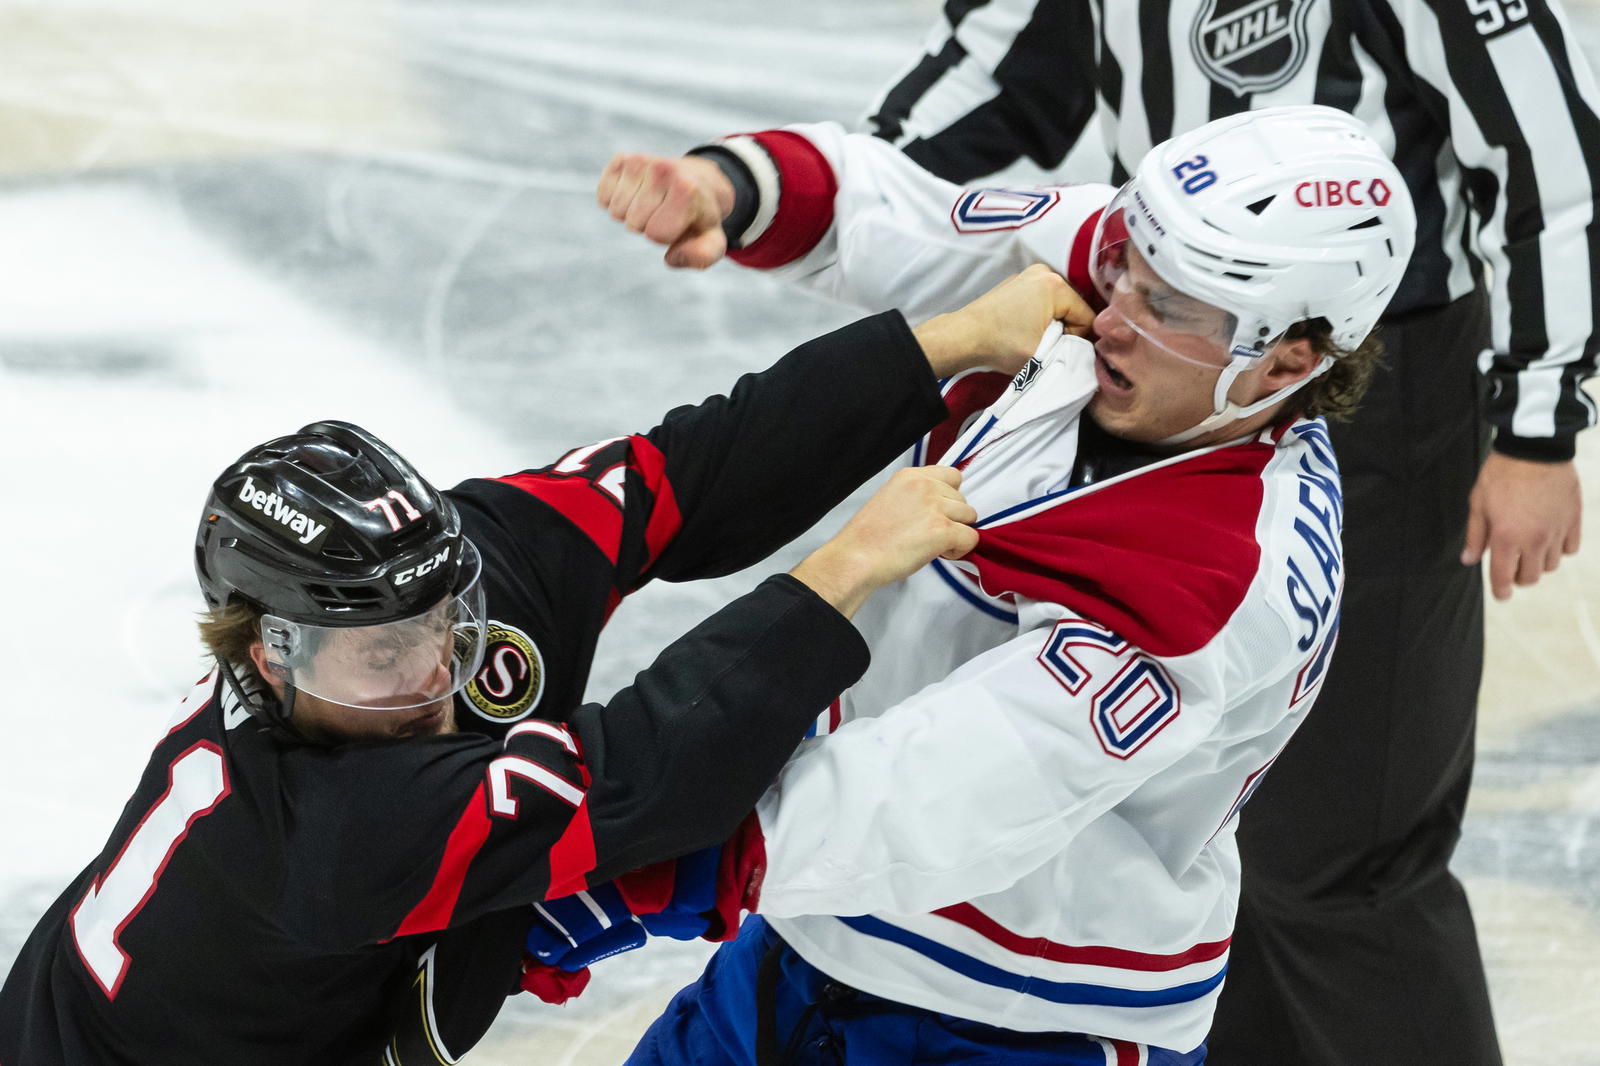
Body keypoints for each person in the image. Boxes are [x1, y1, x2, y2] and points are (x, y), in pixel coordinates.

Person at [0, 269, 1091, 1066]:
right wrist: (845, 567)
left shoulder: (435, 573)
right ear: (262, 655)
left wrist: (947, 342)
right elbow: (651, 774)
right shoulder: (324, 830)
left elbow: (688, 470)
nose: (434, 671)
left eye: (447, 619)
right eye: (382, 654)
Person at [565, 105, 1411, 1062]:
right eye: (1128, 263)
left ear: (1286, 360)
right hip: (813, 921)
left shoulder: (1219, 576)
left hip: (1016, 1012)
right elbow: (909, 214)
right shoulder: (1136, 276)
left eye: (1167, 306)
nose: (1112, 313)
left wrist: (628, 863)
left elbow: (942, 789)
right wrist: (730, 187)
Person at [853, 5, 1597, 1061]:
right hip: (1154, 354)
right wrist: (804, 195)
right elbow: (1012, 67)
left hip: (1365, 380)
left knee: (1346, 858)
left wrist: (1536, 428)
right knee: (1189, 825)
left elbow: (1547, 156)